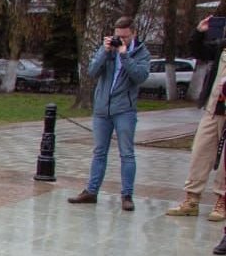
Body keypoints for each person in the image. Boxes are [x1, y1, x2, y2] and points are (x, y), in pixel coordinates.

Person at [68, 15, 150, 212]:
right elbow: (92, 71)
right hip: (102, 109)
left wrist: (124, 55)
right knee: (99, 152)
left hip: (125, 110)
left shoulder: (141, 52)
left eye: (125, 37)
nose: (121, 40)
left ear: (133, 33)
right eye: (118, 36)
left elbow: (140, 76)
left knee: (127, 153)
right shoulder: (108, 48)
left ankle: (127, 195)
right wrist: (105, 52)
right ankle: (91, 191)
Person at [164, 14, 226, 220]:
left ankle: (222, 201)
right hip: (213, 107)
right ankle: (192, 198)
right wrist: (199, 32)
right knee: (200, 151)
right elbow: (198, 51)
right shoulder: (221, 47)